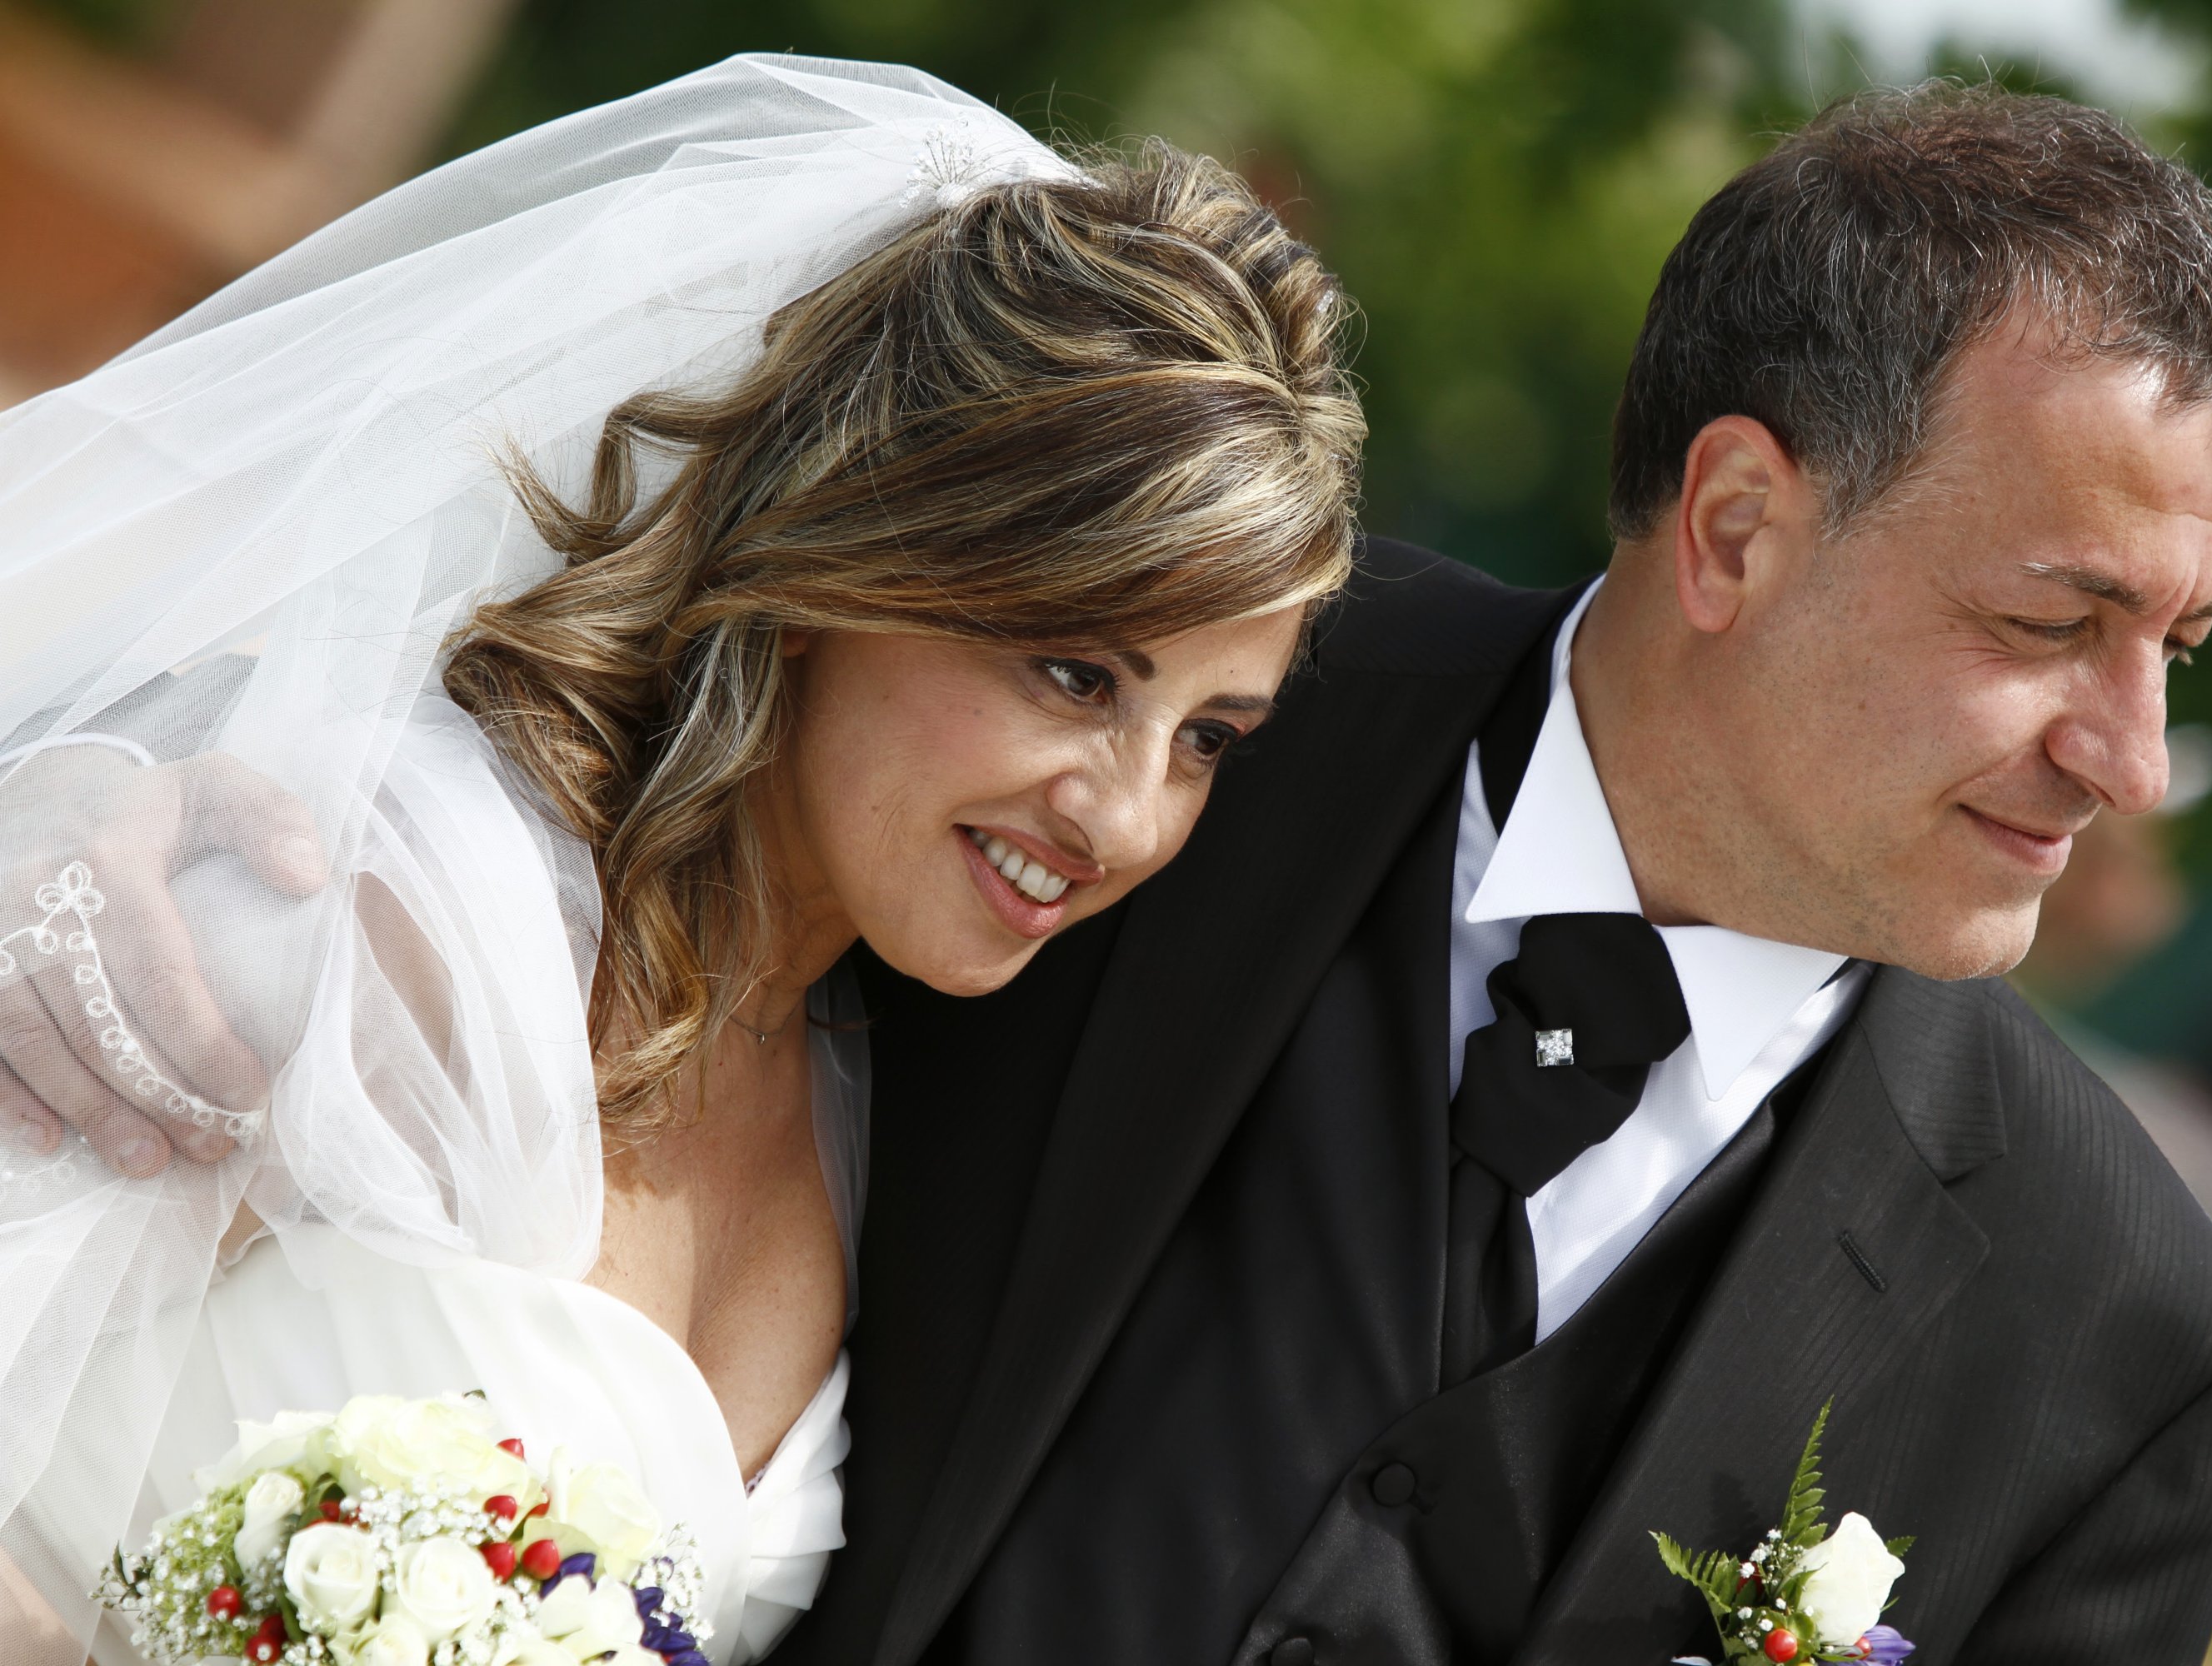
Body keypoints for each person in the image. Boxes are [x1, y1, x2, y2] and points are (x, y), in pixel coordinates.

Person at [792, 84, 2212, 1665]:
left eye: (2176, 648)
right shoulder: (1146, 717)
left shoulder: (2137, 1352)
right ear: (1734, 527)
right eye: (2051, 625)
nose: (2133, 764)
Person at [0, 58, 1361, 1666]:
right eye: (1075, 677)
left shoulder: (871, 1076)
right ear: (849, 560)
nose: (1127, 819)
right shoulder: (378, 916)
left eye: (1208, 738)